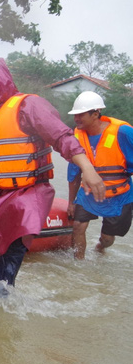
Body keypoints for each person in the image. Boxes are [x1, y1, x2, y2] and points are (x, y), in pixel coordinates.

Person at [0, 58, 105, 291]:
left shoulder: (28, 106)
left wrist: (87, 168)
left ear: (0, 81)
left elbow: (61, 137)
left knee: (8, 259)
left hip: (28, 192)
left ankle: (2, 303)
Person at [66, 91, 133, 259]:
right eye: (75, 115)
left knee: (108, 238)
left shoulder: (123, 132)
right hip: (88, 192)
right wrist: (71, 202)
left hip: (119, 194)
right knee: (78, 227)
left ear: (95, 114)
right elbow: (73, 172)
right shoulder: (77, 135)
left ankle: (100, 248)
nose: (76, 119)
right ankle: (78, 265)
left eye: (81, 115)